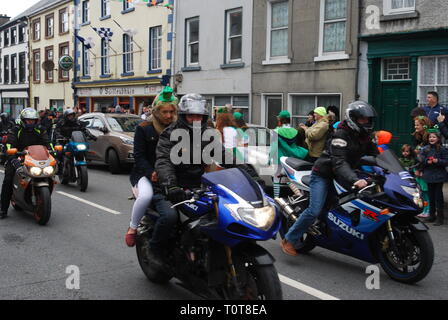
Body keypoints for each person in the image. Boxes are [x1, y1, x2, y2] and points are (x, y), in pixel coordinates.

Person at [154, 93, 262, 261]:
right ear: (183, 116)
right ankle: (157, 252)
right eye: (191, 116)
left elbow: (227, 158)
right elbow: (163, 161)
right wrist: (171, 185)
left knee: (222, 215)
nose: (195, 119)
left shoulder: (207, 135)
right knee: (169, 218)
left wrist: (251, 176)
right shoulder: (170, 134)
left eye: (199, 116)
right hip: (172, 187)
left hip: (199, 186)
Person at [281, 101, 379, 256]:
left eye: (368, 119)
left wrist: (392, 170)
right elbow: (339, 162)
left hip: (344, 174)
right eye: (362, 119)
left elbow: (377, 156)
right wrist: (355, 179)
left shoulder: (365, 135)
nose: (366, 122)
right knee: (314, 210)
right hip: (324, 174)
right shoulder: (340, 135)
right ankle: (289, 239)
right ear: (353, 118)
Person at [125, 87, 178, 247]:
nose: (168, 116)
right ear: (156, 112)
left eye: (171, 112)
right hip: (145, 173)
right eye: (164, 112)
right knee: (146, 195)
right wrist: (151, 172)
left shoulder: (178, 129)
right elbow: (139, 156)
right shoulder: (143, 128)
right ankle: (132, 228)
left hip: (170, 173)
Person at [0, 108, 52, 219]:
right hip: (18, 157)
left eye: (33, 121)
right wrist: (13, 158)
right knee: (8, 178)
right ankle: (2, 209)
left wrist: (53, 152)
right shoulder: (15, 130)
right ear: (24, 120)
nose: (31, 123)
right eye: (28, 120)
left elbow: (47, 143)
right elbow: (9, 145)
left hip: (35, 158)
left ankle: (41, 199)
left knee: (49, 173)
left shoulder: (40, 130)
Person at [271, 110, 309, 197]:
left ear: (280, 119)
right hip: (291, 160)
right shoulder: (295, 131)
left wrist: (269, 160)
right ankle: (299, 195)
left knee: (277, 179)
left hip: (279, 159)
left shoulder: (275, 131)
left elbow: (273, 148)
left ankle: (276, 198)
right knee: (290, 179)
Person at [416, 128, 448, 226]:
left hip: (439, 176)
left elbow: (446, 161)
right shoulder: (425, 149)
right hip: (429, 175)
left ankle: (440, 218)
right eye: (430, 137)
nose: (432, 138)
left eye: (434, 137)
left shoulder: (442, 149)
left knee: (438, 197)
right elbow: (421, 160)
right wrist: (426, 162)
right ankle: (431, 215)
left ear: (438, 138)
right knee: (431, 196)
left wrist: (437, 161)